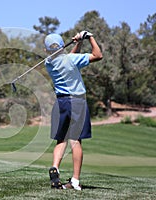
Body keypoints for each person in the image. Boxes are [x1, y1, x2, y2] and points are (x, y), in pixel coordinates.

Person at [44, 31, 103, 190]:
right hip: (77, 102)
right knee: (76, 140)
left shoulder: (48, 62)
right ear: (62, 46)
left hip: (61, 102)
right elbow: (98, 55)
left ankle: (55, 167)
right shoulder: (71, 59)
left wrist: (77, 44)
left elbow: (67, 59)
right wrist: (89, 36)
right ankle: (75, 181)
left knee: (61, 139)